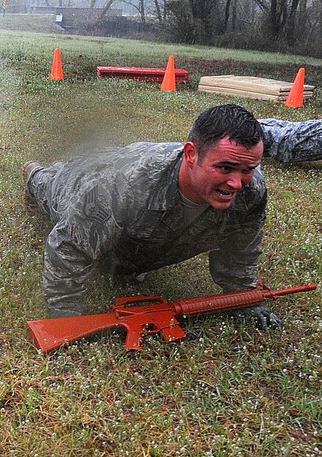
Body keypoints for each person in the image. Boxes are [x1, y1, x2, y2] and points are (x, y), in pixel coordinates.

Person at [22, 103, 282, 329]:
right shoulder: (120, 185)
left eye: (248, 169)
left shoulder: (251, 190)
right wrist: (67, 316)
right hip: (84, 177)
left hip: (130, 209)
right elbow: (69, 247)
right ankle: (36, 174)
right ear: (191, 154)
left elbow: (239, 250)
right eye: (225, 168)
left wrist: (244, 299)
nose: (237, 183)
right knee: (50, 189)